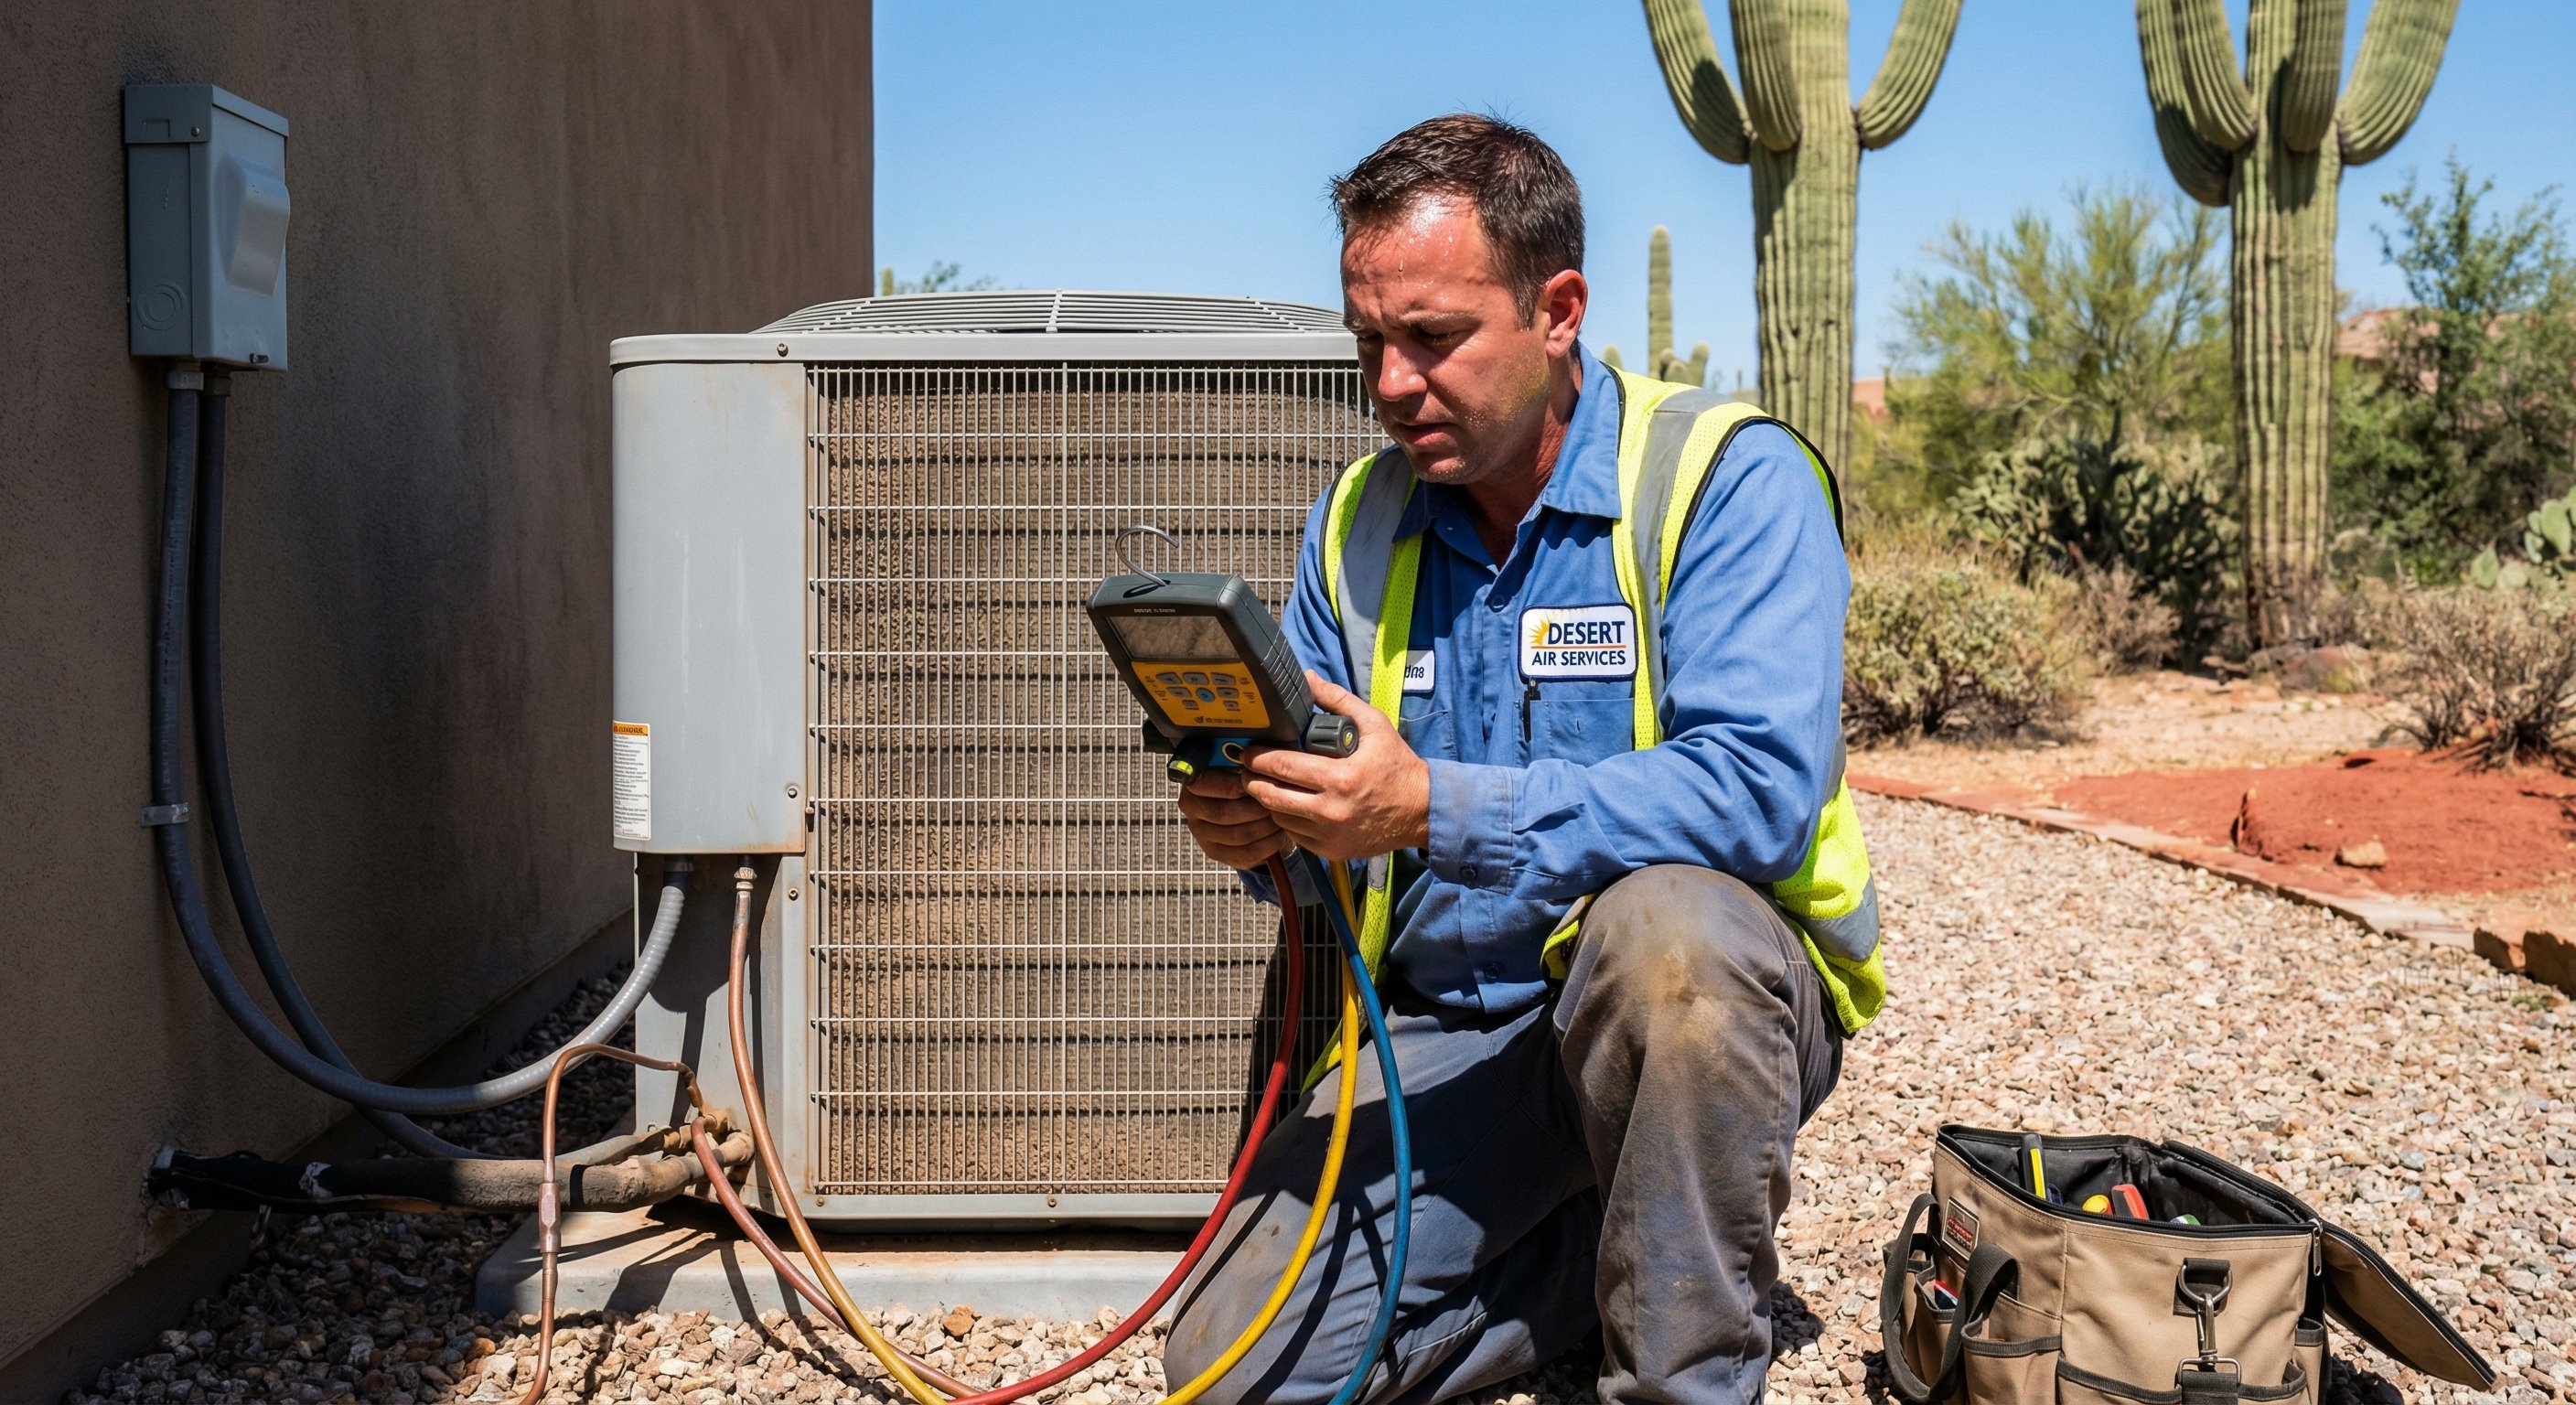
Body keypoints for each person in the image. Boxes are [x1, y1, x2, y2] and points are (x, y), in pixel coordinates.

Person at [1159, 113, 1886, 1405]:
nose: (1389, 382)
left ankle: (1681, 1369)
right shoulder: (1356, 527)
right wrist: (1270, 832)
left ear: (1559, 311)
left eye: (1433, 339)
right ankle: (1603, 1267)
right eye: (1368, 340)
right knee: (1232, 1372)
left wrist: (1433, 804)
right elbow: (1340, 861)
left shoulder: (1725, 484)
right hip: (1450, 1035)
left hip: (1694, 1017)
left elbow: (1764, 797)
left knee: (1671, 944)